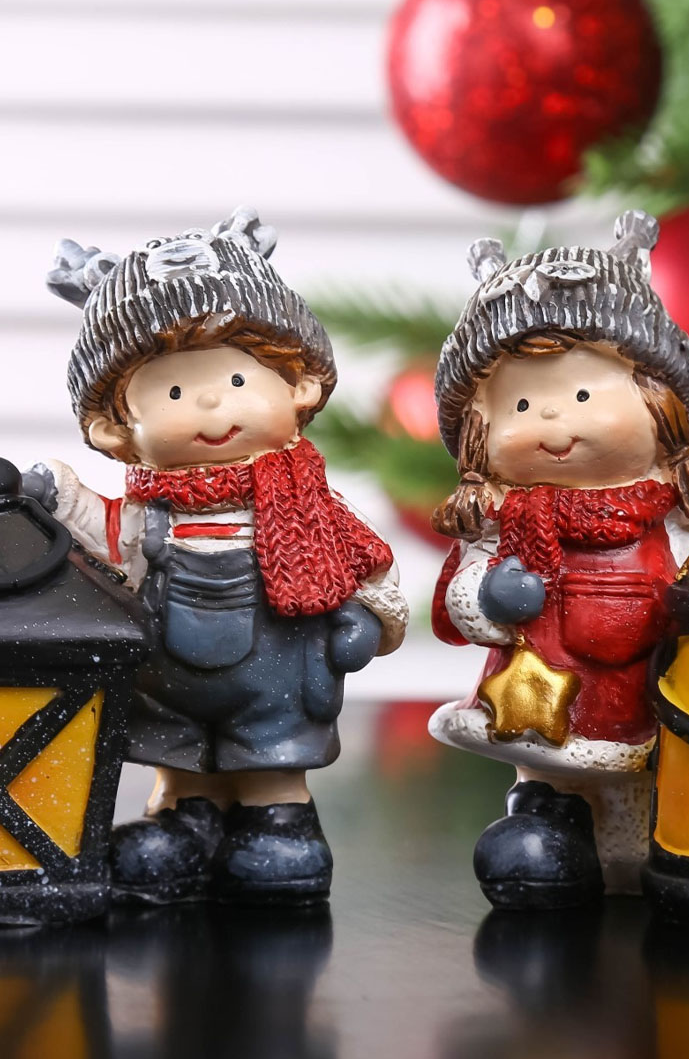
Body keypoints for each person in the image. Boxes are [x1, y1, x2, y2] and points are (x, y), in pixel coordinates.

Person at [26, 209, 408, 906]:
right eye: (173, 392)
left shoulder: (310, 505)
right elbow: (109, 541)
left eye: (237, 381)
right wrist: (63, 496)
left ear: (298, 385)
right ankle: (183, 816)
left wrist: (370, 618)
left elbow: (368, 565)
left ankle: (278, 819)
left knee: (272, 752)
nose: (210, 403)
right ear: (116, 428)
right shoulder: (148, 512)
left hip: (280, 673)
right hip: (169, 677)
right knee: (179, 750)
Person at [429, 211, 689, 909]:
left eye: (585, 395)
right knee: (547, 780)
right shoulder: (502, 520)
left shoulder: (676, 514)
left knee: (643, 798)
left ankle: (645, 849)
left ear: (659, 404)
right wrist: (489, 596)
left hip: (649, 693)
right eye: (523, 403)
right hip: (539, 696)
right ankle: (543, 830)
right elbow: (460, 595)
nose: (553, 421)